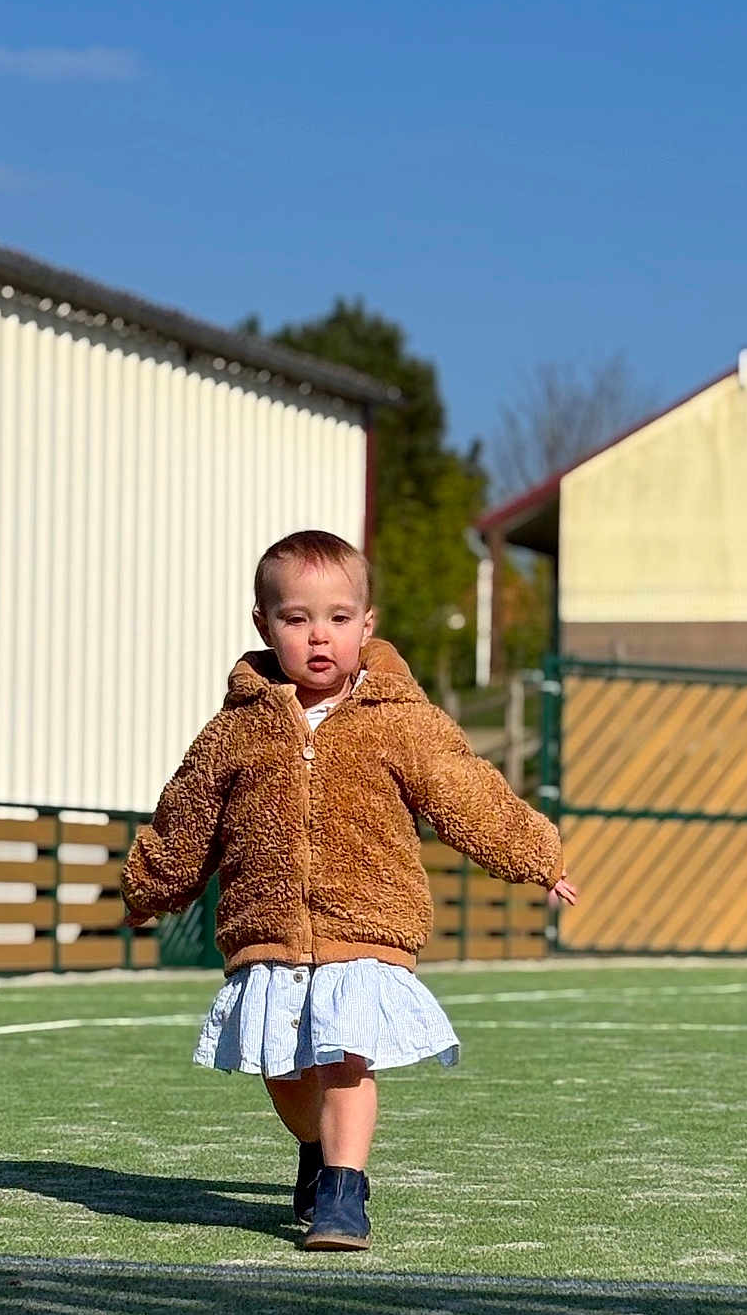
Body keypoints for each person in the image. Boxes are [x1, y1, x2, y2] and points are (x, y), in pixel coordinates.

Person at [120, 528, 576, 1252]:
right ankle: (319, 1145)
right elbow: (188, 815)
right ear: (264, 625)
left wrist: (536, 856)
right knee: (283, 1068)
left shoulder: (401, 722)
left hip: (367, 926)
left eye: (337, 618)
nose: (318, 637)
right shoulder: (233, 732)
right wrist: (151, 886)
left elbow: (468, 792)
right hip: (265, 929)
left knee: (343, 1057)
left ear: (367, 625)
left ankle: (343, 1191)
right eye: (296, 619)